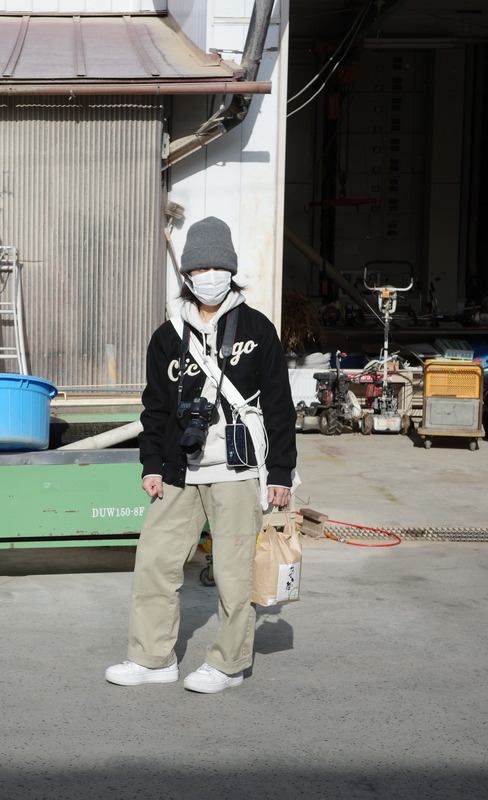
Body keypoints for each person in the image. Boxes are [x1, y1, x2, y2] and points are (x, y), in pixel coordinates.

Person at [105, 216, 297, 694]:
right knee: (155, 563)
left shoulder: (257, 329)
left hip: (237, 470)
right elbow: (154, 408)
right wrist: (151, 463)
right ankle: (152, 658)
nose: (209, 276)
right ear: (187, 274)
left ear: (231, 270)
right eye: (200, 268)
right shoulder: (167, 336)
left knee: (234, 575)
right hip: (178, 470)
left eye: (218, 267)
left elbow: (279, 405)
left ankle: (228, 665)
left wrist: (281, 471)